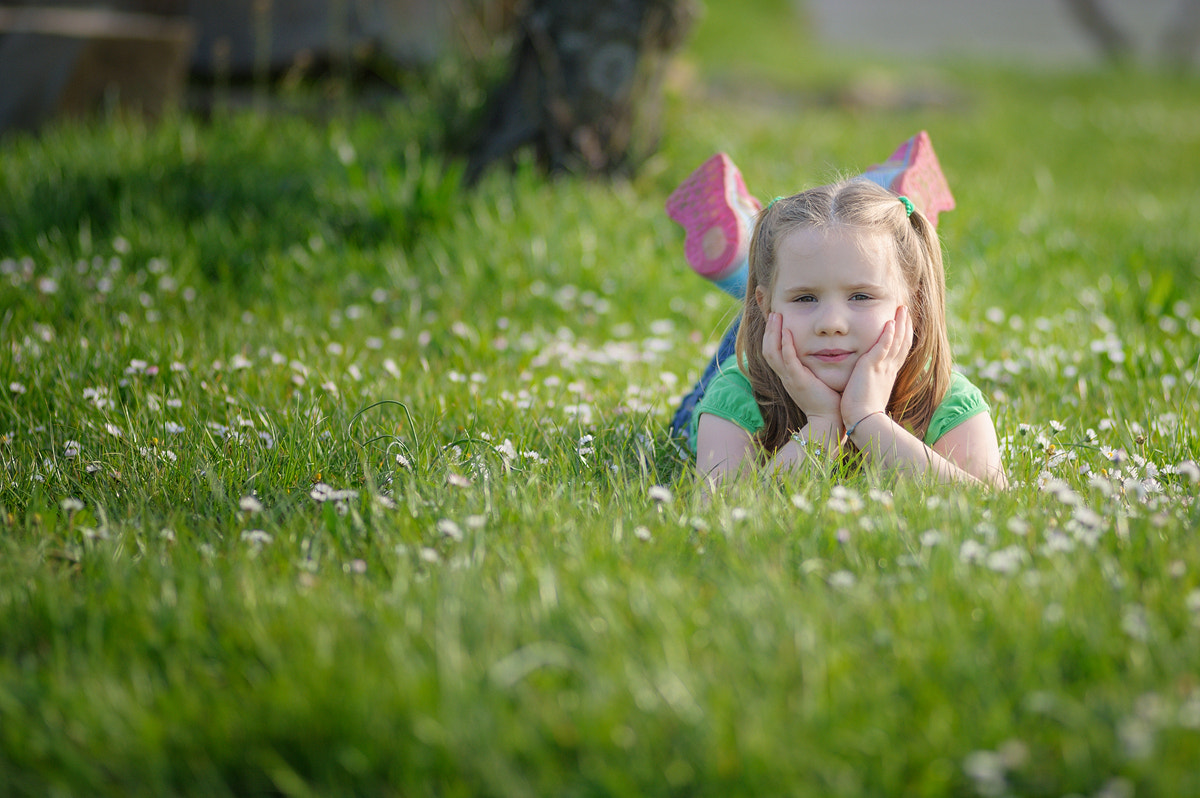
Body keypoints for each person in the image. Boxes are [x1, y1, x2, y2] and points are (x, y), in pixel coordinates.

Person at [665, 133, 1007, 488]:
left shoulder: (942, 395)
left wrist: (867, 419)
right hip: (770, 348)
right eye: (806, 298)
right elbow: (722, 509)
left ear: (915, 305)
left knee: (796, 283)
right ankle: (755, 266)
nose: (831, 324)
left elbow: (988, 503)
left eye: (861, 296)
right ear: (765, 306)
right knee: (768, 314)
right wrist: (823, 422)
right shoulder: (738, 391)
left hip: (783, 311)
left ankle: (751, 260)